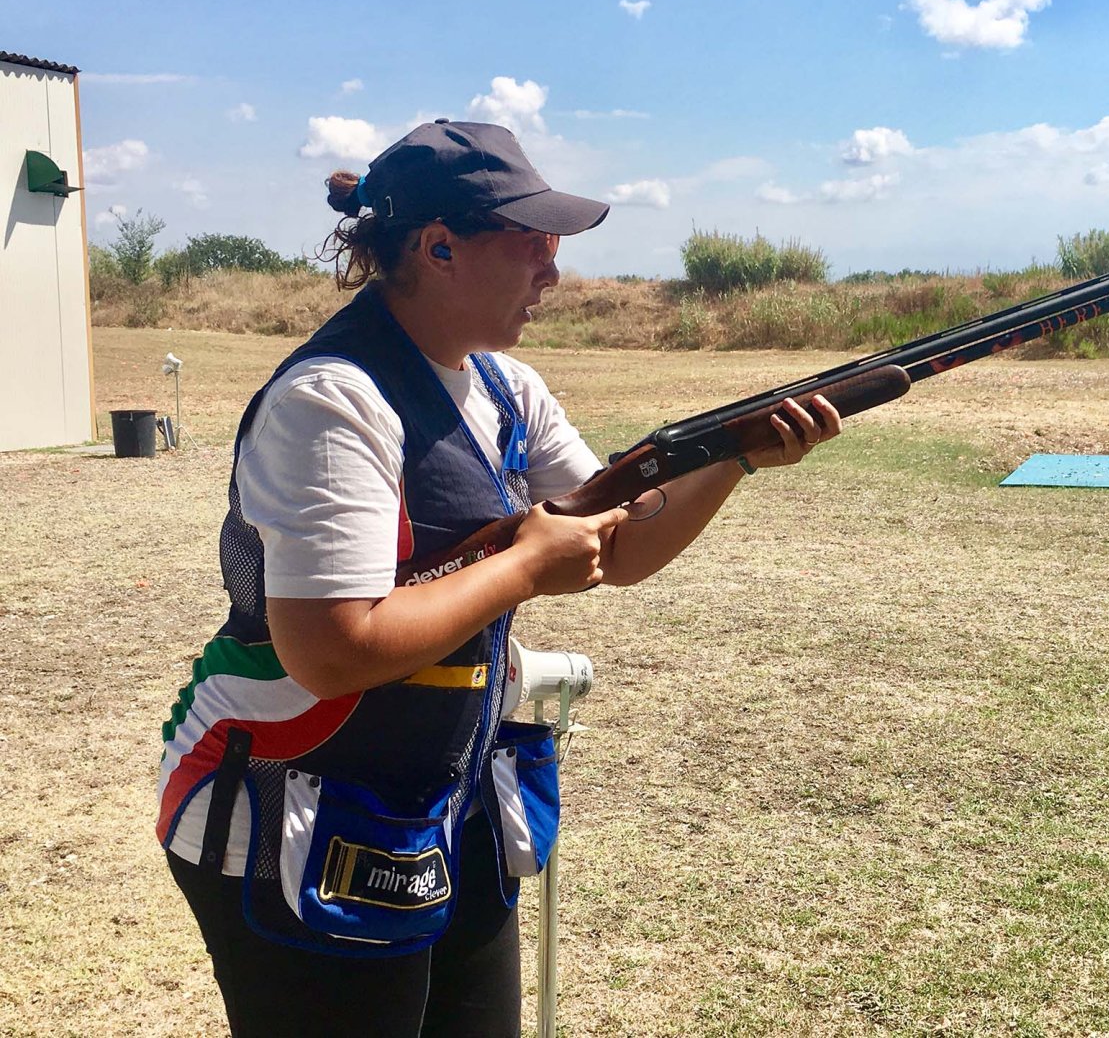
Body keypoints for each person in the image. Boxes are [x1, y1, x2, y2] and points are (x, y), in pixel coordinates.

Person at [156, 119, 841, 1037]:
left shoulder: (505, 386)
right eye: (532, 245)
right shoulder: (332, 400)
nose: (552, 272)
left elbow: (618, 545)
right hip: (285, 802)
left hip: (439, 804)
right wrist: (521, 568)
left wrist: (735, 459)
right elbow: (331, 648)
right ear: (438, 248)